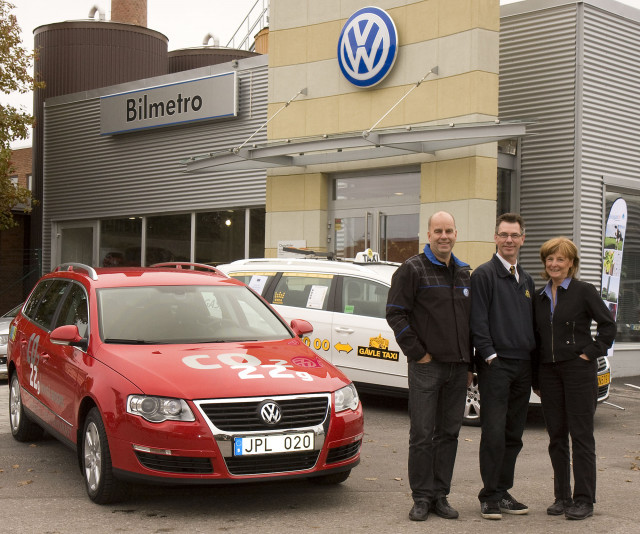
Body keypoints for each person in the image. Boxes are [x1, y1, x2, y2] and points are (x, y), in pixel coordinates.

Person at [386, 211, 473, 522]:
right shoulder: (412, 269)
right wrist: (418, 353)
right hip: (427, 367)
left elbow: (469, 323)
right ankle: (421, 497)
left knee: (449, 434)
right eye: (438, 231)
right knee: (422, 434)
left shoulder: (464, 273)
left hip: (458, 368)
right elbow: (395, 313)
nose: (444, 236)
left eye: (449, 230)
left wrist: (470, 364)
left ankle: (441, 495)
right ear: (429, 234)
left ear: (456, 233)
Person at [533, 237, 616, 520]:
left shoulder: (584, 291)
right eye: (550, 258)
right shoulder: (539, 297)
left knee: (581, 436)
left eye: (560, 259)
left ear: (571, 263)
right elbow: (536, 339)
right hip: (549, 373)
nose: (554, 264)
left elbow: (608, 326)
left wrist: (588, 354)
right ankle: (562, 496)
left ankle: (584, 499)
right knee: (556, 437)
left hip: (579, 372)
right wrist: (536, 378)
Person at [470, 213, 535, 520]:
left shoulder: (527, 279)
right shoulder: (484, 275)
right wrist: (490, 356)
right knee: (494, 432)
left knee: (514, 434)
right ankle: (488, 496)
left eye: (515, 235)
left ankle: (502, 491)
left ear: (522, 239)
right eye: (504, 235)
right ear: (495, 238)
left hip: (523, 366)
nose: (509, 240)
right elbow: (478, 322)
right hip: (496, 366)